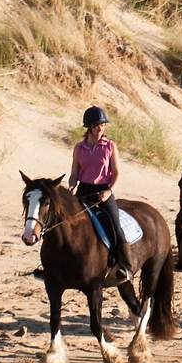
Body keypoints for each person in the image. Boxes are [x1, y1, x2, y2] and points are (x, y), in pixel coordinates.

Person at [70, 106, 128, 278]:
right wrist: (71, 186)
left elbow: (116, 173)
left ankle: (123, 265)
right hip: (83, 190)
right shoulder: (79, 148)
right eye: (97, 126)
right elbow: (74, 173)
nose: (100, 129)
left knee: (115, 226)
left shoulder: (110, 146)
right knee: (65, 222)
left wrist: (109, 191)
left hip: (103, 191)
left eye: (103, 125)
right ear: (89, 127)